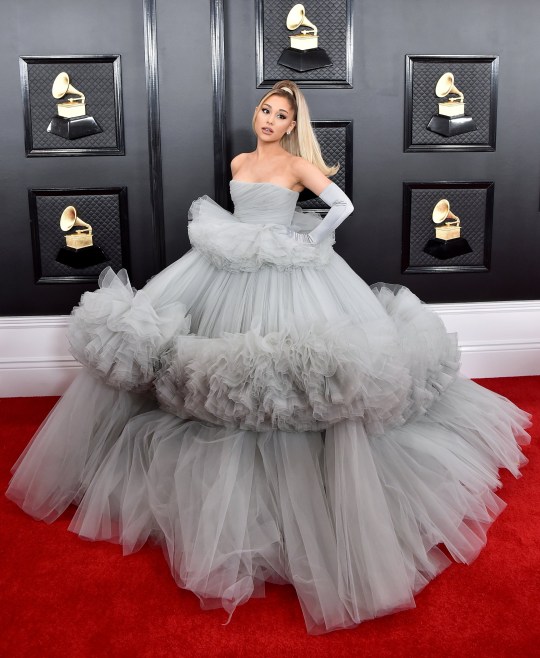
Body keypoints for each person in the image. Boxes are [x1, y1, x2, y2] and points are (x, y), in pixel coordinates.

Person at [6, 80, 530, 635]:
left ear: (291, 124)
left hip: (288, 268)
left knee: (288, 370)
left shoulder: (300, 166)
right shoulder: (239, 159)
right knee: (201, 356)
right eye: (264, 109)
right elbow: (240, 209)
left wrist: (311, 239)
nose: (268, 119)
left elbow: (341, 204)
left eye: (280, 114)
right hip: (226, 264)